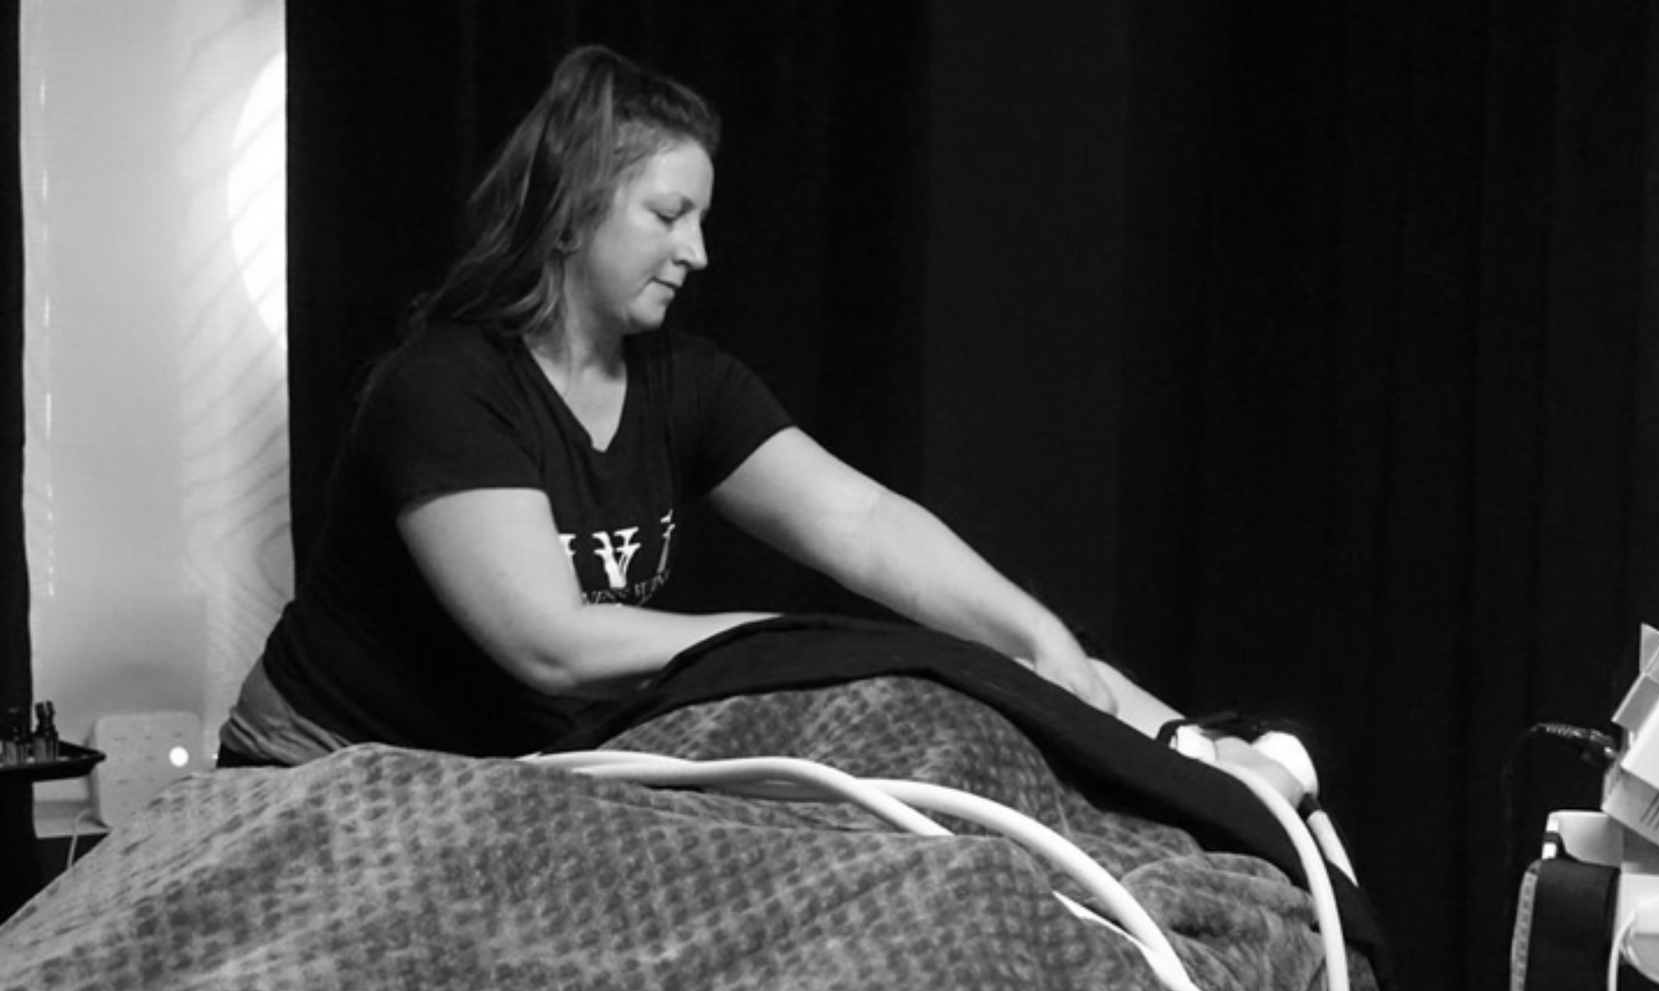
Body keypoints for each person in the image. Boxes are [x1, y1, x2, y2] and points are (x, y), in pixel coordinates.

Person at [217, 44, 1122, 768]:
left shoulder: (685, 381)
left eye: (700, 219)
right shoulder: (446, 389)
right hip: (317, 758)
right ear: (571, 216)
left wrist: (1034, 634)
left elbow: (864, 520)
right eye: (668, 214)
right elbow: (551, 645)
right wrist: (782, 641)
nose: (697, 251)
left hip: (496, 771)